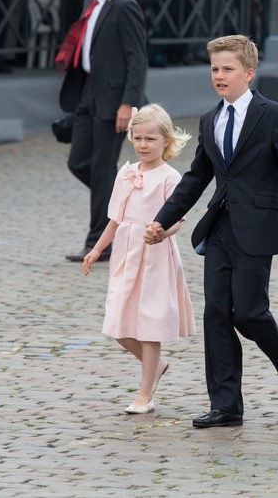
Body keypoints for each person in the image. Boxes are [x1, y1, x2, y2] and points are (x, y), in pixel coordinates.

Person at [145, 34, 278, 429]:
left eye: (227, 69)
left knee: (250, 312)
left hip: (260, 226)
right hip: (220, 226)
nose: (219, 76)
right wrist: (162, 219)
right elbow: (196, 177)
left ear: (248, 73)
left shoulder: (274, 115)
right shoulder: (210, 119)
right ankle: (226, 404)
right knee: (217, 313)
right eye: (215, 69)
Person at [82, 103, 196, 415]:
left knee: (149, 323)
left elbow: (177, 219)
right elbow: (115, 219)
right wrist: (96, 248)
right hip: (126, 251)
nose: (143, 145)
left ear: (166, 142)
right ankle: (155, 365)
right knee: (118, 323)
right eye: (138, 138)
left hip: (155, 254)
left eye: (150, 139)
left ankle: (145, 393)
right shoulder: (126, 173)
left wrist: (162, 232)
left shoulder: (170, 177)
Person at [63, 0, 148, 262]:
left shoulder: (125, 6)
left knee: (100, 169)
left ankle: (99, 242)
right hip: (88, 92)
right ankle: (125, 204)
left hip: (113, 99)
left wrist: (128, 102)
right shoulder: (90, 1)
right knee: (78, 162)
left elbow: (137, 59)